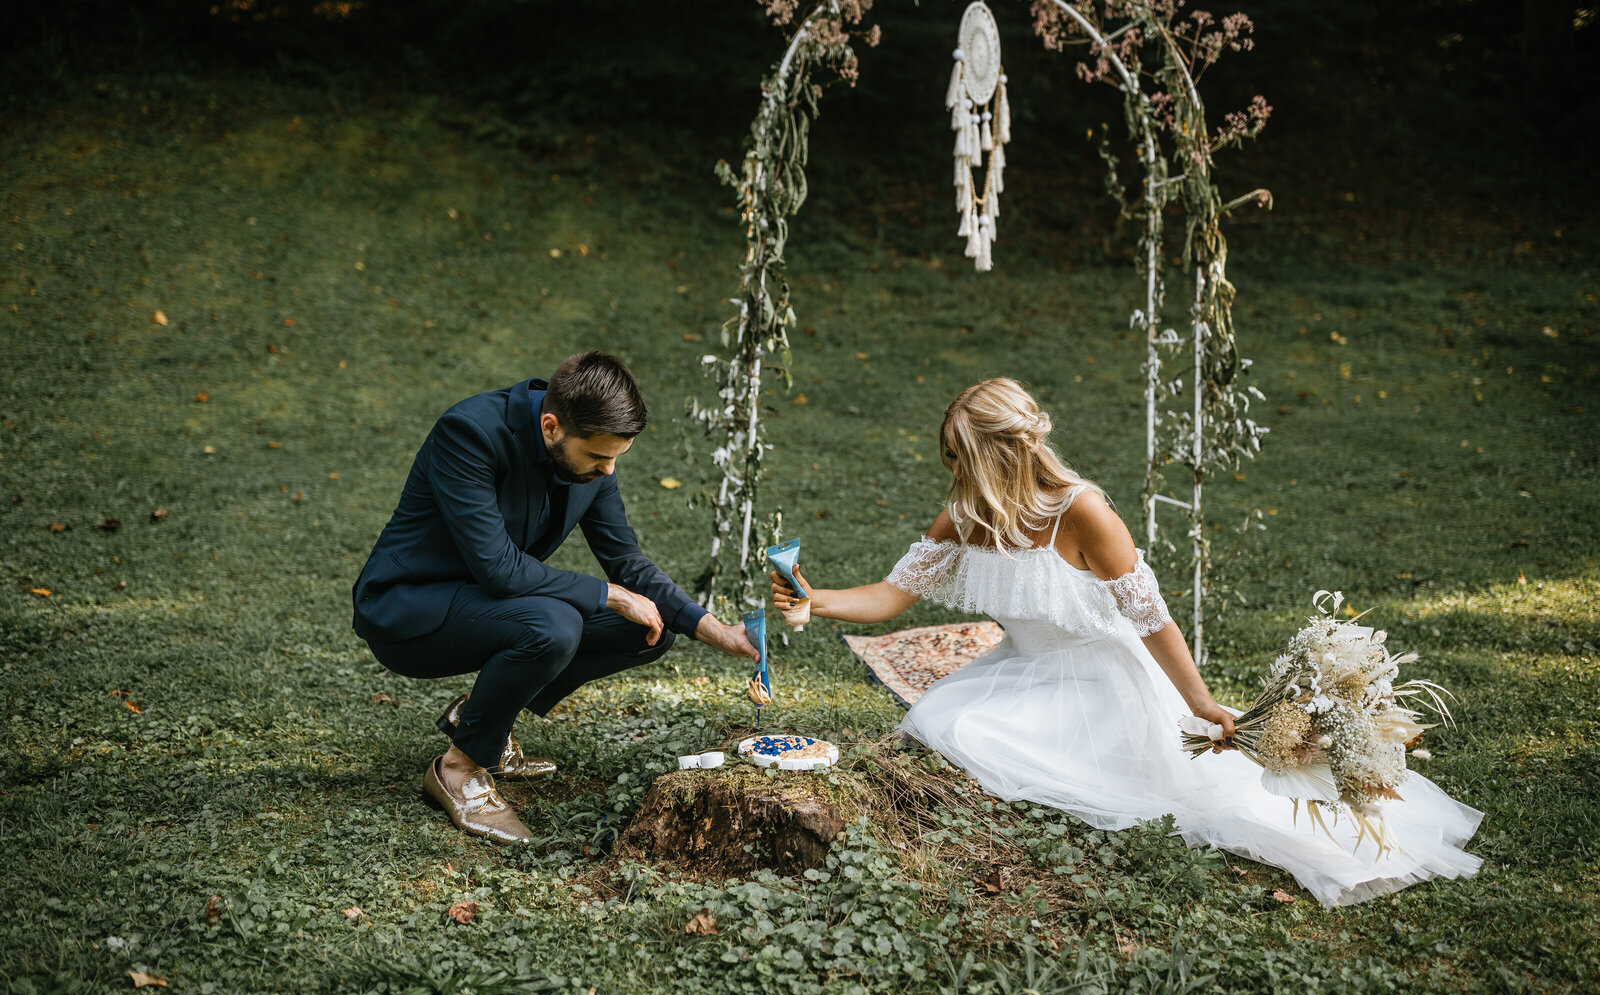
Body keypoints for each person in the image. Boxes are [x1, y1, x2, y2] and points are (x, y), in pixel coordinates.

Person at [770, 377, 1481, 906]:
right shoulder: (966, 513)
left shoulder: (1085, 513)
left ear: (995, 455)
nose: (950, 472)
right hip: (1017, 670)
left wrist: (1201, 704)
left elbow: (1153, 621)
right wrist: (817, 597)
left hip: (1102, 683)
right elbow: (893, 593)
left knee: (985, 741)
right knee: (938, 720)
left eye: (959, 457)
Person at [354, 351, 758, 844]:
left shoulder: (589, 453)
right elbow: (499, 569)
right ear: (550, 427)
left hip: (485, 603)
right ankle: (458, 770)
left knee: (648, 629)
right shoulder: (469, 434)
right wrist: (607, 594)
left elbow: (626, 561)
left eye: (616, 458)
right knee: (553, 625)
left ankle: (480, 717)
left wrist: (712, 628)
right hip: (408, 610)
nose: (608, 472)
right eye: (598, 457)